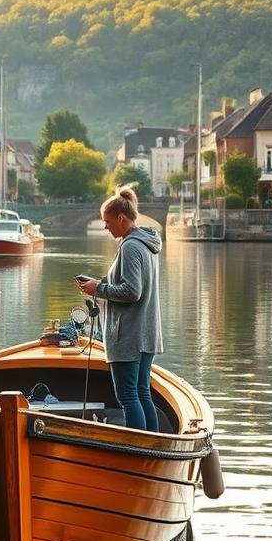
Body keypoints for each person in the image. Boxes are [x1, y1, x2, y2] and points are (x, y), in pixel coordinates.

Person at [76, 184, 163, 432]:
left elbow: (132, 292)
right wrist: (99, 286)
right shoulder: (145, 244)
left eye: (107, 221)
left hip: (129, 336)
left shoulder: (131, 247)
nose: (105, 226)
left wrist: (98, 289)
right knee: (142, 393)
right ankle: (151, 446)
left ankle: (137, 448)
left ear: (121, 218)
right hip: (145, 333)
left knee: (128, 396)